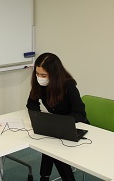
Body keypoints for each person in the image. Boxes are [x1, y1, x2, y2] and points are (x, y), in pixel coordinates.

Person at [26, 52, 89, 181]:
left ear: (54, 75)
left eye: (43, 75)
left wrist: (58, 122)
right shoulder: (40, 84)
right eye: (37, 74)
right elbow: (31, 103)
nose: (39, 77)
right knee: (50, 142)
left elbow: (81, 114)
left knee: (54, 148)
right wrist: (38, 118)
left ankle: (51, 177)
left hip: (75, 125)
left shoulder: (69, 85)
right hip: (57, 125)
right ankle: (45, 177)